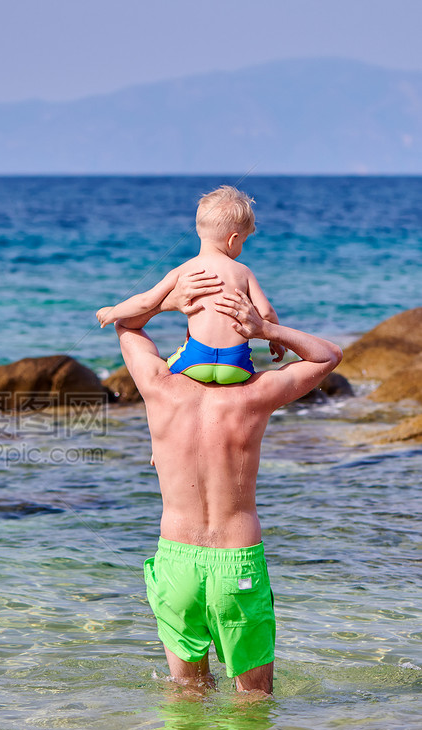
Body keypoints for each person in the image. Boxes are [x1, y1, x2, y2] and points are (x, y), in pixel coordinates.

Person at [114, 284, 342, 694]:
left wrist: (171, 300)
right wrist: (268, 329)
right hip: (236, 562)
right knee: (254, 699)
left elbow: (125, 322)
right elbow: (328, 355)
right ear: (245, 346)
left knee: (187, 698)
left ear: (186, 341)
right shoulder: (255, 396)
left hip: (177, 561)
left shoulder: (157, 386)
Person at [97, 186, 285, 384]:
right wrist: (276, 340)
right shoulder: (243, 272)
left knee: (166, 369)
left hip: (196, 362)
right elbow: (266, 313)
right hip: (236, 365)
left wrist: (113, 312)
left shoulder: (183, 270)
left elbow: (145, 302)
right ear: (233, 240)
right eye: (243, 242)